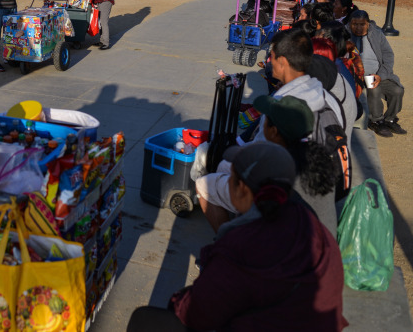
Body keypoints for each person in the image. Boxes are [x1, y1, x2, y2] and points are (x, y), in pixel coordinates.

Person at [128, 143, 347, 332]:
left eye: (230, 177)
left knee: (146, 320)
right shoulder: (313, 227)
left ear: (241, 188)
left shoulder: (240, 247)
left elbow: (195, 313)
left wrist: (178, 299)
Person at [197, 29, 343, 231]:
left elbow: (259, 157)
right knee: (223, 166)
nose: (268, 61)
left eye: (271, 56)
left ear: (282, 61)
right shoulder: (324, 96)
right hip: (323, 185)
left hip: (281, 191)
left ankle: (230, 240)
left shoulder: (281, 106)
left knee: (205, 184)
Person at [253, 95, 340, 236]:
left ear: (274, 131)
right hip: (326, 244)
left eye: (265, 120)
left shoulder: (278, 169)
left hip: (300, 250)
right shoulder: (318, 154)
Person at [349, 10, 406, 137]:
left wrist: (381, 75)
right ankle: (376, 120)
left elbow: (388, 55)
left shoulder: (377, 34)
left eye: (362, 24)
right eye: (355, 24)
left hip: (379, 74)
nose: (358, 28)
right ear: (350, 24)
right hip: (358, 76)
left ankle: (390, 119)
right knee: (373, 90)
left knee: (397, 90)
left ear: (368, 24)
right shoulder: (346, 35)